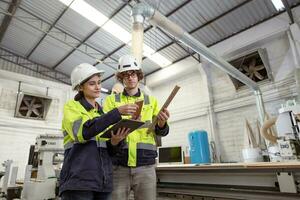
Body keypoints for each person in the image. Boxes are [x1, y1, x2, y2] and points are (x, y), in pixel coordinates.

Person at [59, 63, 138, 200]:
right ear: (80, 87)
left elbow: (109, 153)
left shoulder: (102, 114)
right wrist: (116, 112)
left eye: (99, 83)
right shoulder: (72, 107)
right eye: (92, 84)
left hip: (102, 183)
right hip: (79, 183)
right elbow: (83, 132)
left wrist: (115, 142)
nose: (98, 87)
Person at [103, 55, 170, 200]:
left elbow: (160, 131)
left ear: (138, 76)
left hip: (145, 166)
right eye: (125, 75)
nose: (130, 78)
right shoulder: (111, 101)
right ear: (121, 78)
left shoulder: (151, 101)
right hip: (119, 167)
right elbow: (106, 132)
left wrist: (162, 123)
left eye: (133, 73)